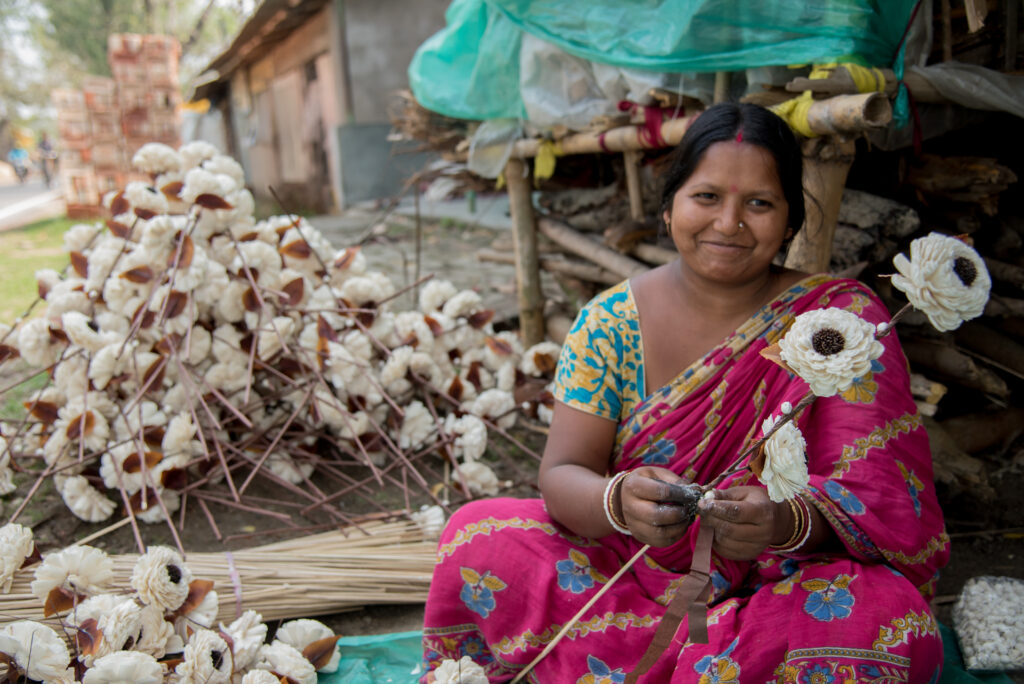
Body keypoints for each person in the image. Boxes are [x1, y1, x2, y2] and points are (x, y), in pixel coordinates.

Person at [421, 103, 949, 683]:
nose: (729, 223)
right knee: (479, 535)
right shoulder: (609, 322)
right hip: (627, 579)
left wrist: (786, 522)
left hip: (784, 591)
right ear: (669, 208)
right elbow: (563, 472)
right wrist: (619, 502)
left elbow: (881, 499)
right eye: (706, 197)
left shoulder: (839, 325)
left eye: (759, 203)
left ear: (792, 223)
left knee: (893, 621)